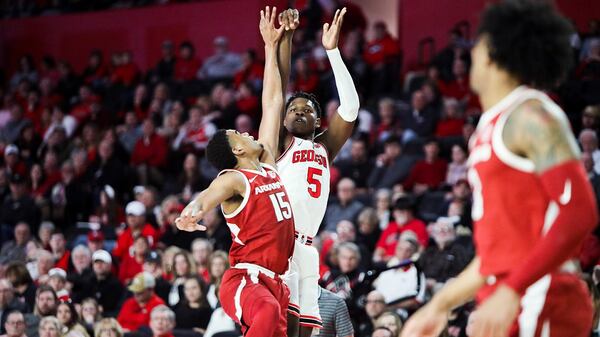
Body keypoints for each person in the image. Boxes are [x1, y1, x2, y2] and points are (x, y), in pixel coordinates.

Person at [401, 2, 599, 337]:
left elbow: (580, 212)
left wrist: (512, 288)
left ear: (492, 52)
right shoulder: (489, 127)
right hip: (506, 297)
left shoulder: (532, 115)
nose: (468, 54)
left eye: (475, 44)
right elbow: (498, 255)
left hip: (541, 297)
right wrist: (439, 305)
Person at [175, 7, 293, 337]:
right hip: (245, 278)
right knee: (266, 311)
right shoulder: (235, 178)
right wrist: (191, 211)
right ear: (237, 150)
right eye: (239, 134)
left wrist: (270, 47)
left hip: (276, 282)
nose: (249, 133)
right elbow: (208, 195)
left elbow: (273, 102)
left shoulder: (265, 164)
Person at [272, 7, 360, 336]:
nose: (298, 111)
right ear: (282, 119)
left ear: (318, 121)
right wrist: (285, 40)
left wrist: (333, 52)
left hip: (308, 247)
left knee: (308, 330)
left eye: (306, 109)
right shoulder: (278, 143)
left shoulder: (324, 147)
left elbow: (350, 107)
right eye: (293, 108)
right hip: (280, 240)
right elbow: (276, 90)